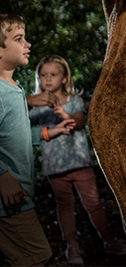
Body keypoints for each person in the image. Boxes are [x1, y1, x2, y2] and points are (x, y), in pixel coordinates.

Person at [28, 55, 126, 264]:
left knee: (93, 203)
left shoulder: (74, 100)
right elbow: (23, 126)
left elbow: (78, 123)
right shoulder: (37, 107)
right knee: (64, 205)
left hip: (79, 165)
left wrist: (62, 114)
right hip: (55, 169)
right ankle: (72, 247)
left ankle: (109, 241)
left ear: (65, 78)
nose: (47, 79)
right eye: (43, 75)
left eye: (53, 74)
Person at [0, 14, 75, 267]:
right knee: (36, 257)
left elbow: (15, 135)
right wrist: (2, 176)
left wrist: (48, 133)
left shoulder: (13, 88)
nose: (27, 44)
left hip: (16, 195)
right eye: (19, 39)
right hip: (9, 199)